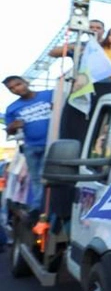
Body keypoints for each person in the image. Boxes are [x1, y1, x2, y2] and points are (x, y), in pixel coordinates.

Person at [3, 76, 54, 210]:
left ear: (26, 82)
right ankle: (38, 208)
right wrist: (12, 126)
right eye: (11, 89)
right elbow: (10, 132)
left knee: (45, 175)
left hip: (51, 144)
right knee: (36, 178)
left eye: (18, 84)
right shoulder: (12, 108)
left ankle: (42, 209)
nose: (16, 89)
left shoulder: (50, 94)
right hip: (30, 146)